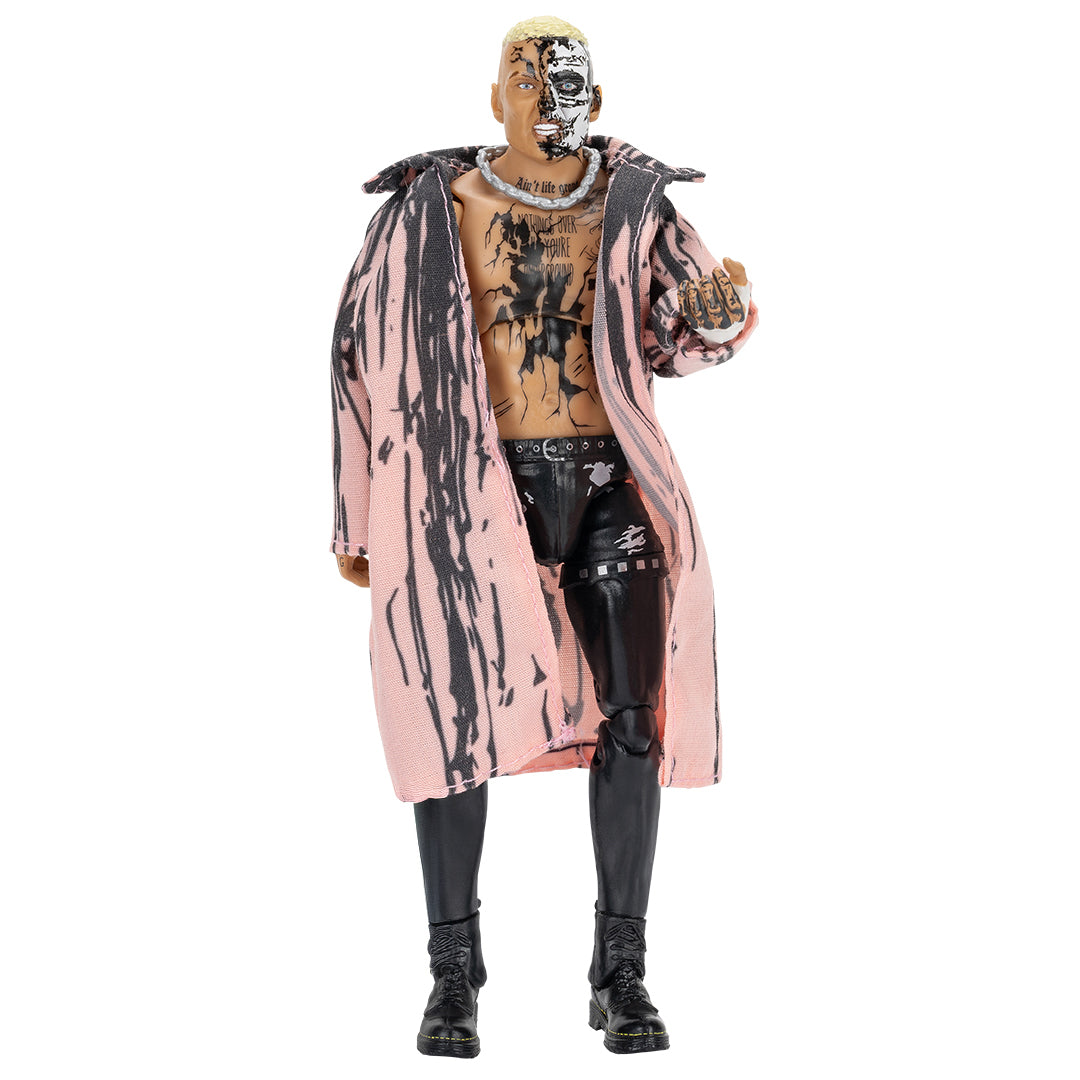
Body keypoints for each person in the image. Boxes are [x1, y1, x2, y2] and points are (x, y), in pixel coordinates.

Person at [331, 15, 758, 1057]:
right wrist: (354, 513)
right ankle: (453, 975)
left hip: (609, 479)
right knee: (452, 723)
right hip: (470, 497)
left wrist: (717, 320)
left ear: (594, 100)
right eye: (523, 77)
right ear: (494, 97)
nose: (544, 95)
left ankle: (621, 972)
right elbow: (354, 358)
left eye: (563, 79)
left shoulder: (636, 206)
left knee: (635, 717)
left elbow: (680, 339)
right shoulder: (427, 211)